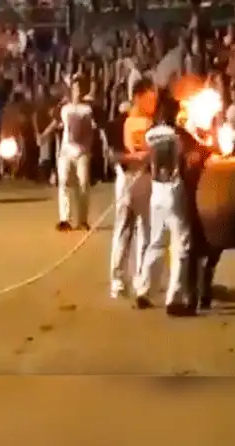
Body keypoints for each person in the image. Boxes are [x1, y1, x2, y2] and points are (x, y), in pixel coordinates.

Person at [132, 95, 193, 316]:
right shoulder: (176, 136)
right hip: (173, 190)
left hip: (156, 192)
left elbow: (149, 159)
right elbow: (183, 160)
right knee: (180, 245)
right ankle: (174, 297)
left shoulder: (150, 135)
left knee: (156, 242)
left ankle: (144, 289)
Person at [109, 86, 154, 299]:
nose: (152, 103)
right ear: (137, 97)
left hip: (146, 179)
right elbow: (114, 155)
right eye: (149, 98)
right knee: (123, 229)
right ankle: (117, 279)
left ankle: (140, 279)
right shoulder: (120, 123)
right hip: (127, 177)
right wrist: (136, 158)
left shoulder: (153, 123)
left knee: (145, 230)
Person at [45, 79, 98, 231]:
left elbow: (93, 129)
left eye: (80, 88)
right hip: (66, 151)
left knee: (83, 185)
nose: (77, 91)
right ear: (71, 90)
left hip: (83, 152)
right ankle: (64, 219)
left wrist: (91, 148)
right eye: (75, 88)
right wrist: (44, 134)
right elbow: (55, 122)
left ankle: (82, 220)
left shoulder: (87, 110)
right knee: (64, 182)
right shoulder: (64, 109)